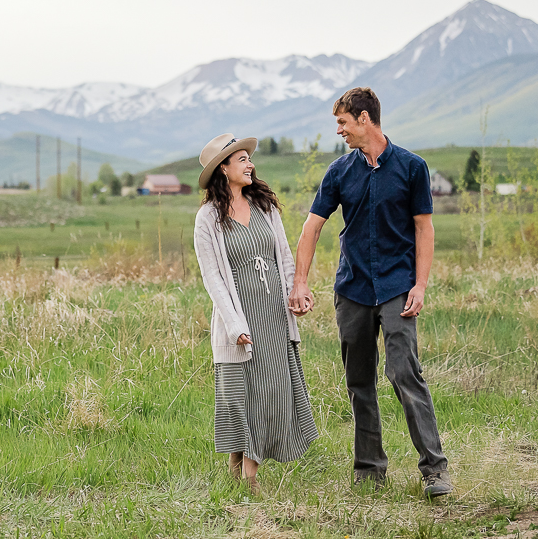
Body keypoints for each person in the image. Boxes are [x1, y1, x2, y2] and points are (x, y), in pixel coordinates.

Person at [287, 87, 452, 498]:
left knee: (403, 373)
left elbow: (424, 228)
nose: (339, 130)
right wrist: (300, 281)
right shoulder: (339, 172)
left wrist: (420, 284)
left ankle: (434, 469)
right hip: (354, 290)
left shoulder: (413, 168)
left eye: (342, 121)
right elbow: (312, 227)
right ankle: (369, 471)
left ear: (364, 119)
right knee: (359, 380)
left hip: (398, 286)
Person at [193, 133, 318, 490]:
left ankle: (245, 474)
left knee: (269, 392)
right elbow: (212, 277)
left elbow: (284, 256)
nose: (250, 164)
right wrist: (234, 325)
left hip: (275, 316)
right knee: (242, 396)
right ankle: (245, 475)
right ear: (224, 168)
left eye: (249, 158)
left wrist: (297, 293)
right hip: (241, 318)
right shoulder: (208, 218)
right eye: (242, 159)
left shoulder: (265, 207)